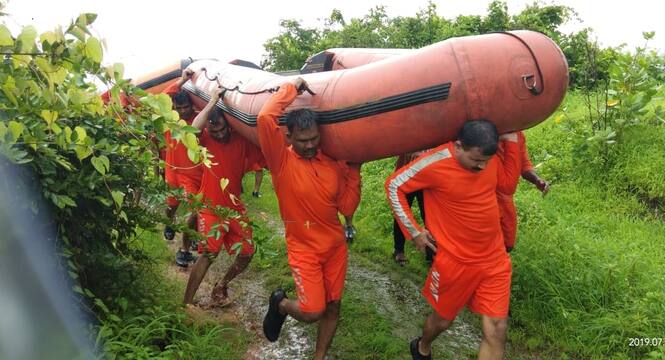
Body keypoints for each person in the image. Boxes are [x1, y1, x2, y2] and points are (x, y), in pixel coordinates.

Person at [386, 120, 521, 360]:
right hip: (454, 263)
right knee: (443, 321)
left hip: (494, 260)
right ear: (458, 146)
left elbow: (508, 185)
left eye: (485, 162)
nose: (481, 167)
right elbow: (394, 185)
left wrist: (511, 140)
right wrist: (414, 231)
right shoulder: (435, 162)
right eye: (476, 161)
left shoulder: (489, 159)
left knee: (497, 327)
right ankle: (422, 346)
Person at [258, 78, 361, 360]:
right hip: (304, 248)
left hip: (335, 247)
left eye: (315, 138)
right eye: (303, 140)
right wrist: (291, 88)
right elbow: (265, 117)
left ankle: (319, 357)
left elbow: (347, 206)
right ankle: (280, 306)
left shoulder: (331, 165)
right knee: (312, 310)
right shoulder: (280, 162)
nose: (311, 145)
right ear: (288, 137)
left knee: (334, 306)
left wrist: (354, 170)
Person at [182, 87, 266, 307]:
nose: (219, 134)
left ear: (229, 124)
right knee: (209, 253)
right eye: (214, 129)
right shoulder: (206, 139)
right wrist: (212, 102)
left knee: (247, 253)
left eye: (222, 129)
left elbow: (264, 141)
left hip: (234, 207)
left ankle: (222, 285)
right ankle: (186, 303)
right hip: (210, 206)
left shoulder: (241, 139)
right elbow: (192, 129)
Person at [162, 69, 202, 267]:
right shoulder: (170, 120)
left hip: (192, 176)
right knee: (172, 206)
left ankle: (184, 250)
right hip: (172, 171)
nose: (183, 111)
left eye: (186, 107)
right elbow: (163, 97)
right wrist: (182, 80)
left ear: (191, 105)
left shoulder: (197, 120)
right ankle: (169, 223)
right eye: (179, 107)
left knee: (196, 211)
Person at [496, 131, 549, 253]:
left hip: (505, 198)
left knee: (507, 244)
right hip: (487, 196)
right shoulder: (485, 134)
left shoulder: (517, 135)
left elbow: (524, 164)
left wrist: (537, 180)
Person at [391, 150, 432, 266]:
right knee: (402, 212)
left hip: (427, 178)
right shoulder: (409, 133)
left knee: (429, 215)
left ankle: (431, 254)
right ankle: (398, 250)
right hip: (406, 175)